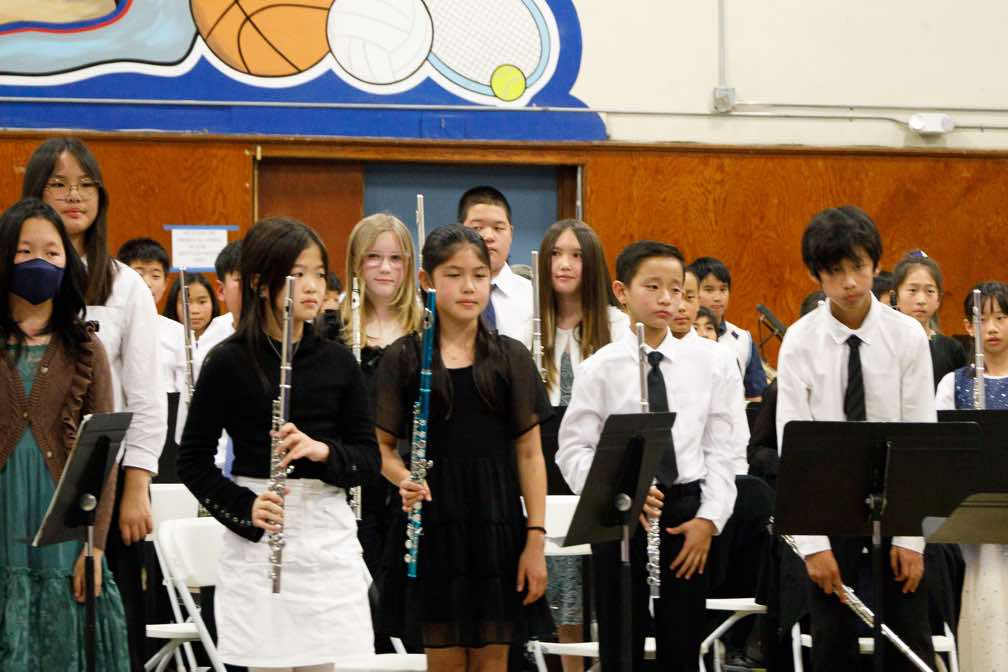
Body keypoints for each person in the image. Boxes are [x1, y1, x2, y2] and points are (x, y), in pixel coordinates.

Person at [177, 216, 379, 671]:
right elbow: (192, 461)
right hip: (259, 532)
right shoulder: (227, 361)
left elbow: (368, 459)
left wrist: (322, 451)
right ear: (259, 282)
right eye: (297, 273)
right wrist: (245, 508)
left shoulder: (338, 361)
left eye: (319, 273)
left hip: (327, 535)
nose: (312, 286)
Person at [557, 240, 745, 671]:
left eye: (676, 289)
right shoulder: (599, 368)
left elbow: (725, 449)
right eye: (653, 287)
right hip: (621, 512)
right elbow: (573, 450)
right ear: (622, 292)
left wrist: (709, 519)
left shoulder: (714, 361)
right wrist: (617, 489)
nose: (666, 299)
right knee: (621, 644)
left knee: (682, 645)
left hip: (685, 512)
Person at [374, 224, 549, 672]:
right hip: (433, 523)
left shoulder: (511, 357)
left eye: (480, 275)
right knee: (445, 662)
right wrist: (404, 478)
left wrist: (535, 538)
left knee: (494, 661)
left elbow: (530, 455)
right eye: (454, 275)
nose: (469, 287)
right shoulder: (403, 357)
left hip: (497, 524)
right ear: (426, 280)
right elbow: (382, 449)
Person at [23, 136, 166, 672]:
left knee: (103, 627)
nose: (74, 196)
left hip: (101, 482)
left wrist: (136, 488)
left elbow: (145, 398)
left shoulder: (125, 286)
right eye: (58, 184)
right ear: (34, 193)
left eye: (86, 185)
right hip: (24, 474)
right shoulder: (11, 279)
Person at [775, 205, 936, 671]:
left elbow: (921, 439)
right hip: (827, 510)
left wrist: (913, 540)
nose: (849, 282)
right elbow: (794, 451)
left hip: (897, 503)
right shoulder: (800, 342)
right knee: (832, 645)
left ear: (876, 265)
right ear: (816, 275)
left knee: (908, 643)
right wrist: (813, 546)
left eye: (858, 267)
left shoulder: (907, 336)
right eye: (835, 272)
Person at [0, 197, 129, 670]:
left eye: (52, 252)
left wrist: (95, 547)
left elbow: (103, 458)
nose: (39, 261)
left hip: (66, 530)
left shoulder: (86, 348)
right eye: (24, 251)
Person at [535, 219, 627, 670]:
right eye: (556, 254)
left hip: (599, 458)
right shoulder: (531, 325)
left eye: (575, 255)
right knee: (560, 577)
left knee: (601, 578)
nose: (565, 264)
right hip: (544, 458)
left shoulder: (618, 325)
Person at [340, 214, 423, 599]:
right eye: (373, 257)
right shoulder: (332, 330)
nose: (385, 268)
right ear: (356, 263)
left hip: (409, 483)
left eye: (396, 258)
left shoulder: (427, 329)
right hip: (352, 482)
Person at [934, 280, 1008, 671]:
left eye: (1001, 318)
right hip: (974, 519)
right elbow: (940, 450)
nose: (991, 328)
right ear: (967, 326)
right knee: (982, 606)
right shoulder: (954, 383)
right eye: (982, 319)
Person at [458, 186, 534, 349]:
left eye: (498, 228)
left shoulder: (533, 296)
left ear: (511, 233)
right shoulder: (445, 294)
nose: (488, 237)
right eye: (477, 228)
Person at [688, 256, 767, 398]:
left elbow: (756, 396)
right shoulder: (680, 334)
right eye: (709, 290)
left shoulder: (743, 338)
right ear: (692, 293)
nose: (718, 298)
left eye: (723, 289)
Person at [890, 250, 967, 388]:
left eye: (930, 291)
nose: (921, 300)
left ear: (938, 300)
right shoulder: (884, 344)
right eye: (913, 290)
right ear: (895, 297)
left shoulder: (952, 350)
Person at [163, 271, 220, 343]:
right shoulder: (161, 340)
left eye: (202, 302)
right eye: (186, 302)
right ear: (173, 304)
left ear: (213, 303)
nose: (195, 310)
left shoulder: (224, 337)